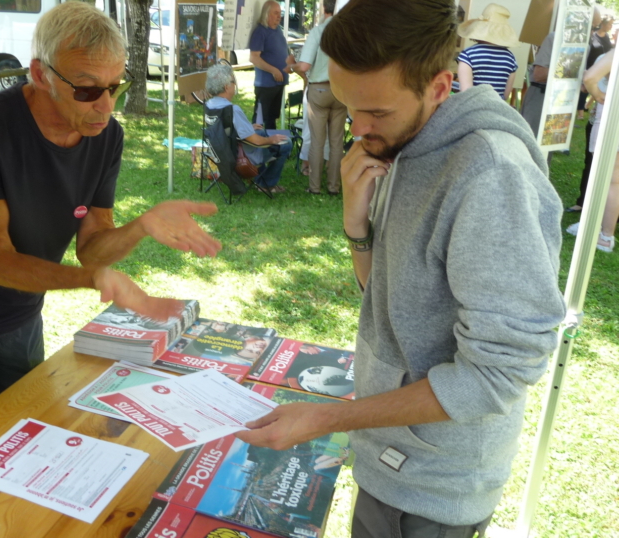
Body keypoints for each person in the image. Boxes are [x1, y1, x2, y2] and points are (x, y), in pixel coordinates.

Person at [235, 1, 566, 537]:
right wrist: (356, 221)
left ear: (439, 87)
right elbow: (385, 298)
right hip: (389, 453)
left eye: (378, 112)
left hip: (435, 487)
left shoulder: (490, 176)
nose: (358, 128)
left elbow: (497, 375)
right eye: (348, 104)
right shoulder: (407, 142)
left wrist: (326, 418)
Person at [0, 2, 222, 453]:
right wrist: (91, 280)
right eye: (88, 90)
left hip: (22, 313)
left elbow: (92, 248)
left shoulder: (105, 135)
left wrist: (141, 226)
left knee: (20, 440)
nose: (105, 106)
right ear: (40, 74)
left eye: (115, 87)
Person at [204, 63, 292, 193]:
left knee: (259, 131)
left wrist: (248, 127)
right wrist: (271, 140)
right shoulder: (232, 110)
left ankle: (258, 179)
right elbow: (255, 141)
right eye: (233, 81)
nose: (235, 84)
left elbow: (223, 128)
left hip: (221, 153)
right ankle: (265, 184)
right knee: (286, 143)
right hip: (240, 156)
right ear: (226, 87)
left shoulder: (209, 105)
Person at [566, 48, 618, 253]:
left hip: (612, 119)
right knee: (614, 181)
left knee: (602, 176)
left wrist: (598, 95)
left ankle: (595, 229)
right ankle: (604, 234)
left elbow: (590, 77)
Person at [292, 0, 344, 195]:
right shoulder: (346, 33)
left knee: (317, 141)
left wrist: (291, 67)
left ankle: (314, 187)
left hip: (319, 90)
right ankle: (334, 186)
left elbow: (304, 66)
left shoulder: (318, 31)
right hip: (340, 90)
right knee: (337, 141)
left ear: (324, 9)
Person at [569, 7, 614, 213]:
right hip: (603, 114)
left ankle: (592, 209)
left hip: (606, 117)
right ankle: (590, 205)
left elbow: (588, 79)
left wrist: (598, 97)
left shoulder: (611, 56)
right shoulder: (607, 55)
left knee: (597, 164)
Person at [456, 3, 519, 101]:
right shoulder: (510, 59)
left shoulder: (468, 55)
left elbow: (466, 93)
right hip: (497, 111)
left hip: (473, 111)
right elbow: (505, 95)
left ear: (479, 28)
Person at [249, 0, 295, 129]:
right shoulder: (261, 31)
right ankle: (257, 147)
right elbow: (254, 58)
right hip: (266, 85)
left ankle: (271, 147)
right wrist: (273, 70)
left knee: (272, 118)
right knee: (259, 120)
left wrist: (291, 65)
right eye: (275, 13)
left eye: (280, 13)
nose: (279, 16)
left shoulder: (278, 30)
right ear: (267, 14)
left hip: (279, 83)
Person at [521, 31, 554, 137]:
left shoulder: (583, 43)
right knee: (531, 139)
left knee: (549, 142)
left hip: (561, 98)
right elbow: (539, 74)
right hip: (541, 94)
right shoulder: (554, 38)